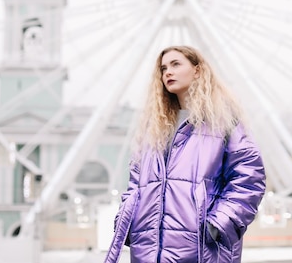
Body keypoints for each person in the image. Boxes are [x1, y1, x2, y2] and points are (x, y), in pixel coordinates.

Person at [105, 45, 266, 263]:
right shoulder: (154, 128)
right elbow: (137, 184)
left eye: (175, 64)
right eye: (163, 68)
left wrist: (218, 225)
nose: (167, 72)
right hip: (149, 251)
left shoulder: (224, 123)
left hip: (201, 250)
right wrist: (127, 220)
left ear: (197, 70)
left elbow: (249, 179)